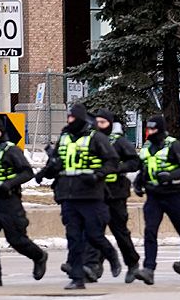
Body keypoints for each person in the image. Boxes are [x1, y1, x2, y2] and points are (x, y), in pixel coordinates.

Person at [37, 104, 121, 290]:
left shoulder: (96, 138)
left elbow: (112, 160)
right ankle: (77, 278)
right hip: (69, 196)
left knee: (93, 235)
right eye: (68, 118)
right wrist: (45, 172)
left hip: (91, 195)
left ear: (81, 119)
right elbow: (57, 162)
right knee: (73, 238)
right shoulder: (65, 137)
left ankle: (111, 254)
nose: (69, 121)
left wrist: (98, 175)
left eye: (72, 118)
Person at [0, 117, 48, 286]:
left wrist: (9, 184)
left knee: (16, 240)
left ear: (1, 132)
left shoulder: (11, 150)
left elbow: (27, 172)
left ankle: (39, 256)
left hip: (9, 202)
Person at [132, 115, 180, 285]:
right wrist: (138, 183)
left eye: (154, 129)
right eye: (150, 129)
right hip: (154, 196)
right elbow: (144, 168)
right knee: (150, 231)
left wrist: (171, 176)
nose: (151, 132)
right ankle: (149, 269)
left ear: (161, 130)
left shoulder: (174, 145)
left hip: (174, 195)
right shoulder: (147, 147)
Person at [83, 110, 142, 283]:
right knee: (94, 231)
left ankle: (132, 263)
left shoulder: (119, 142)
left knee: (119, 231)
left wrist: (117, 167)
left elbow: (135, 162)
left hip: (116, 194)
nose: (99, 126)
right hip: (96, 193)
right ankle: (93, 265)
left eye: (103, 122)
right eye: (97, 122)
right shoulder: (90, 141)